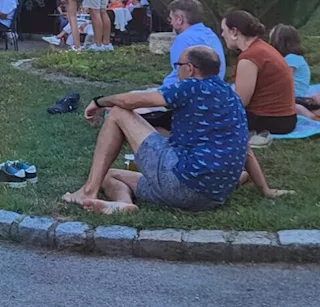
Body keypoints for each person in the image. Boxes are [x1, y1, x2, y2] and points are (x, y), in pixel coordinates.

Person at [62, 45, 288, 215]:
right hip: (214, 197)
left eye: (177, 66)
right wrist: (265, 190)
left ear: (190, 69)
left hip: (182, 184)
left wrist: (101, 101)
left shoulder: (190, 86)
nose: (176, 71)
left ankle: (87, 192)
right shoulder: (232, 96)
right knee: (110, 176)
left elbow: (136, 101)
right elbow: (245, 149)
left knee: (118, 113)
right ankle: (123, 204)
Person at [221, 9, 297, 144]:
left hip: (272, 120)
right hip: (285, 118)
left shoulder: (250, 57)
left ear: (234, 32)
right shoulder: (262, 48)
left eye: (224, 30)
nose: (222, 34)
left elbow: (240, 102)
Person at [162, 0, 225, 86]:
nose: (171, 23)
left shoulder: (183, 39)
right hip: (216, 87)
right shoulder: (211, 35)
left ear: (179, 19)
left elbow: (179, 76)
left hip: (192, 92)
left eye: (171, 19)